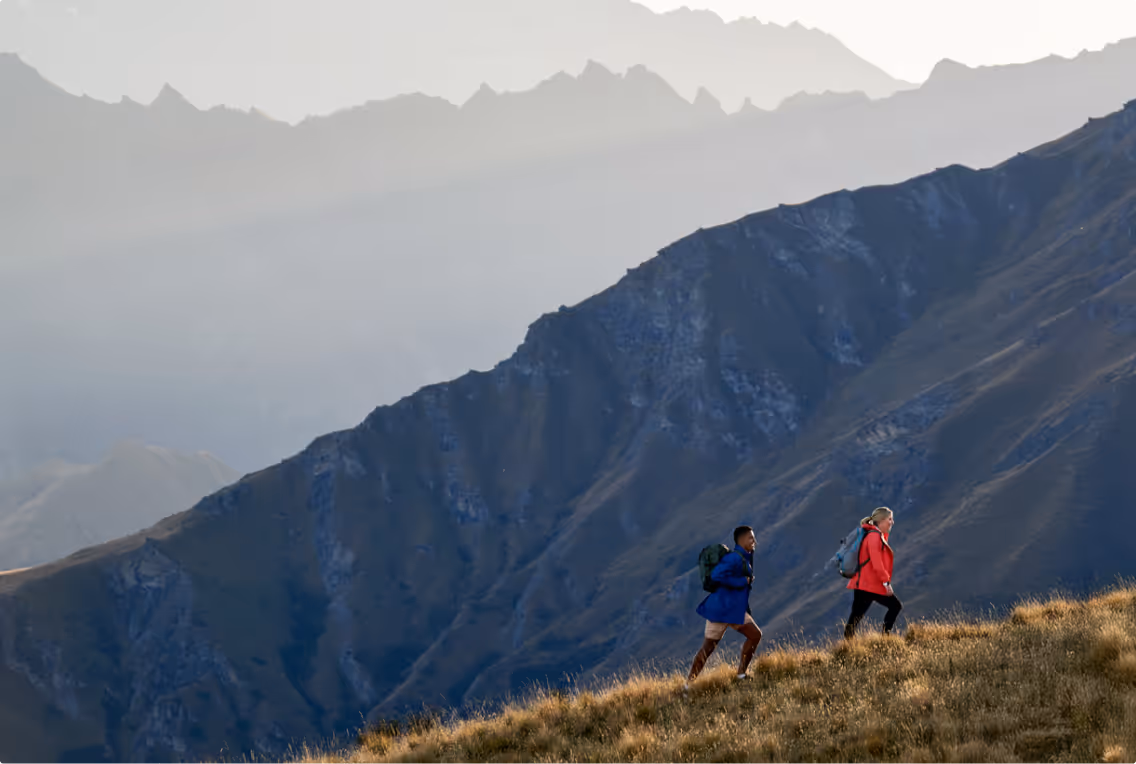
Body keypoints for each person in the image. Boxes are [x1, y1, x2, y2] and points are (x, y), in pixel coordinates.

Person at [686, 525, 763, 687]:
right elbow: (716, 575)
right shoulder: (734, 558)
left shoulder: (744, 557)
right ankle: (687, 687)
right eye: (750, 538)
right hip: (721, 610)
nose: (754, 541)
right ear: (741, 540)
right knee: (707, 649)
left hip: (733, 610)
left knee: (755, 635)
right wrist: (742, 581)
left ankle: (741, 675)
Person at [844, 506, 903, 638]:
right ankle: (885, 639)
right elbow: (877, 563)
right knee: (895, 606)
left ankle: (847, 646)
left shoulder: (873, 535)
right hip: (869, 585)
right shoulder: (874, 537)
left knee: (856, 616)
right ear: (881, 520)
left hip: (863, 584)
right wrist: (886, 583)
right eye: (890, 519)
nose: (892, 522)